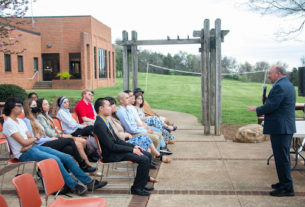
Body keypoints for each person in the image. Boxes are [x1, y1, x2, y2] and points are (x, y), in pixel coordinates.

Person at [2, 97, 107, 196]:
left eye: (21, 106)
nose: (21, 108)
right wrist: (32, 140)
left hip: (32, 148)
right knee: (55, 159)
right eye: (18, 106)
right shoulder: (9, 124)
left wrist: (30, 141)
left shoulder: (19, 121)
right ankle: (73, 185)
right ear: (11, 108)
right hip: (23, 153)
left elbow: (29, 138)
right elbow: (26, 142)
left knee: (67, 157)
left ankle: (88, 182)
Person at [247, 65, 296, 197]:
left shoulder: (280, 86)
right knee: (281, 157)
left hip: (281, 128)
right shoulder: (287, 84)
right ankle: (283, 183)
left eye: (270, 73)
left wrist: (257, 109)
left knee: (282, 158)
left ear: (278, 73)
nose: (268, 75)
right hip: (283, 127)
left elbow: (272, 105)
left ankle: (287, 188)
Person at [93, 97, 155, 196]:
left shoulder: (105, 121)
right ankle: (137, 188)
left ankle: (141, 184)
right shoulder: (99, 124)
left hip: (115, 150)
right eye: (108, 106)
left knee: (147, 155)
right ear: (101, 108)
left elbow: (117, 140)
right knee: (144, 159)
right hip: (110, 154)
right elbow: (111, 146)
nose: (111, 107)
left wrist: (134, 146)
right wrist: (131, 150)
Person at [105, 97, 170, 163]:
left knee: (152, 136)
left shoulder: (116, 115)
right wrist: (126, 134)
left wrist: (145, 129)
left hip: (127, 137)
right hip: (125, 138)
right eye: (111, 105)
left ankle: (154, 157)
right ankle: (155, 157)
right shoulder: (117, 114)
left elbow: (133, 124)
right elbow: (118, 134)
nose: (115, 106)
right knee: (150, 138)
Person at [36, 98, 95, 170]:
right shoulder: (41, 117)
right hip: (53, 139)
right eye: (45, 104)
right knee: (78, 143)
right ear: (40, 107)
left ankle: (84, 163)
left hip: (61, 135)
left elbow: (55, 128)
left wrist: (61, 134)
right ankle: (85, 164)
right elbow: (48, 132)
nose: (48, 105)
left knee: (83, 141)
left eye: (48, 104)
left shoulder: (47, 116)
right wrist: (61, 135)